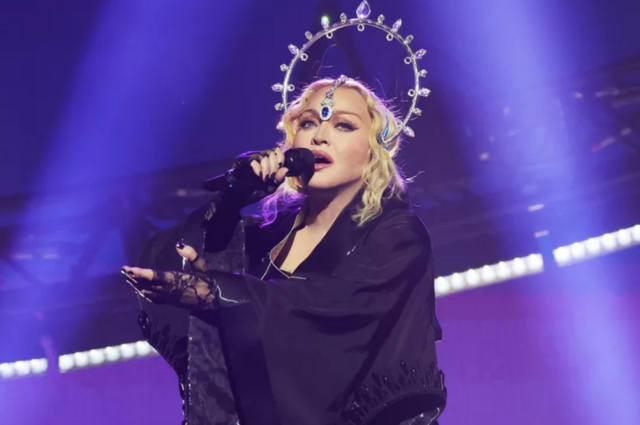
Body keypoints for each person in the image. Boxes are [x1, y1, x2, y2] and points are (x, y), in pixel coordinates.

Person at [122, 77, 447, 425]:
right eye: (308, 123)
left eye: (343, 125)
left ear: (374, 149)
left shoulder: (397, 234)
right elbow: (167, 257)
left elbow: (334, 306)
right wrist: (232, 200)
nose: (319, 136)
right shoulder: (260, 236)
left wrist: (216, 292)